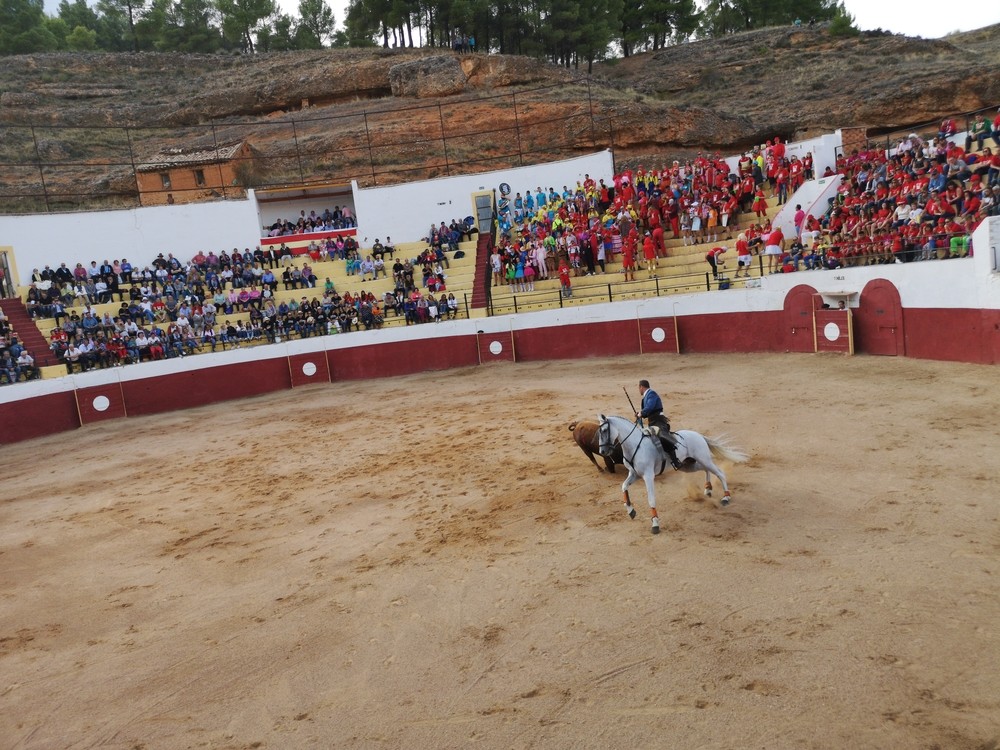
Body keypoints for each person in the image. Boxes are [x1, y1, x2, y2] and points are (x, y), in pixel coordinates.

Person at [636, 379, 680, 470]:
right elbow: (647, 412)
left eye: (638, 388)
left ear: (641, 387)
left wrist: (641, 413)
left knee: (662, 436)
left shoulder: (651, 394)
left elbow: (650, 407)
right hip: (652, 422)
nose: (638, 390)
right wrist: (640, 414)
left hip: (659, 421)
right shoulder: (645, 397)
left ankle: (675, 460)